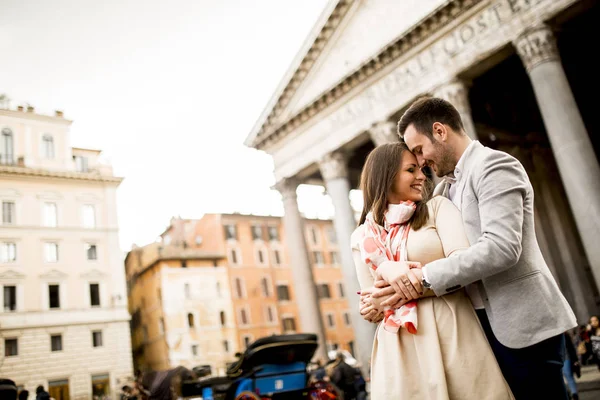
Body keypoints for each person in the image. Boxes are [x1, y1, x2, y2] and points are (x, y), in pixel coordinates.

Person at [380, 96, 577, 399]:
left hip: (524, 326)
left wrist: (424, 277)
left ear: (440, 131)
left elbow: (501, 248)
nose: (420, 161)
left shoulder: (495, 165)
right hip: (480, 330)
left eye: (420, 149)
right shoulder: (443, 190)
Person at [352, 142, 512, 399]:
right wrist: (381, 282)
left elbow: (463, 262)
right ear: (386, 175)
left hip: (451, 329)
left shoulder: (438, 208)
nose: (421, 176)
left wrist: (404, 279)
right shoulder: (361, 236)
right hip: (399, 346)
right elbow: (373, 300)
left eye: (419, 169)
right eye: (410, 169)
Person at [563, 331, 580, 400]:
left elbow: (571, 347)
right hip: (555, 359)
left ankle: (574, 394)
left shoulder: (564, 335)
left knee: (568, 375)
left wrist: (575, 359)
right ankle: (567, 393)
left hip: (566, 358)